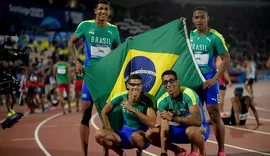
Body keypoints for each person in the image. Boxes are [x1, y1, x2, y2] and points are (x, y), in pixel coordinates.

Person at [68, 0, 121, 155]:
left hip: (106, 77)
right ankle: (85, 153)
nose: (103, 11)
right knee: (85, 114)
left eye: (106, 9)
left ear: (109, 12)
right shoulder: (86, 25)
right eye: (101, 9)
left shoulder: (113, 30)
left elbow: (119, 51)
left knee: (107, 115)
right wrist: (76, 62)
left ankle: (106, 152)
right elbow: (71, 43)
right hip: (89, 75)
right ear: (95, 11)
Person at [181, 6, 230, 156]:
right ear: (193, 20)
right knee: (194, 116)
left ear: (207, 19)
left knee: (215, 115)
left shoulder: (215, 37)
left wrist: (215, 79)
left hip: (210, 81)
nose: (199, 20)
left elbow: (226, 60)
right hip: (193, 82)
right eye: (196, 17)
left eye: (202, 17)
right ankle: (194, 151)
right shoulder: (189, 36)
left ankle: (221, 151)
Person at [145, 70, 210, 156]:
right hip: (182, 129)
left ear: (177, 82)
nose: (168, 84)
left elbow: (198, 121)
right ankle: (178, 150)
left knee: (191, 131)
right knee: (150, 134)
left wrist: (173, 118)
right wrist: (163, 153)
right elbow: (165, 129)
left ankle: (202, 153)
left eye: (171, 81)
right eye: (165, 82)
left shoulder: (188, 94)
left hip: (200, 128)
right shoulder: (162, 102)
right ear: (163, 85)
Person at [95, 74, 157, 156]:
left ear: (142, 86)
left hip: (141, 136)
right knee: (99, 134)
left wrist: (133, 110)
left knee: (136, 136)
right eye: (132, 85)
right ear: (128, 85)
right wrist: (109, 129)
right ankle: (120, 152)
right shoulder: (121, 96)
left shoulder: (148, 99)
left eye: (138, 85)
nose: (135, 87)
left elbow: (152, 123)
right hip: (124, 134)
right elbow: (104, 112)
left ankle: (139, 151)